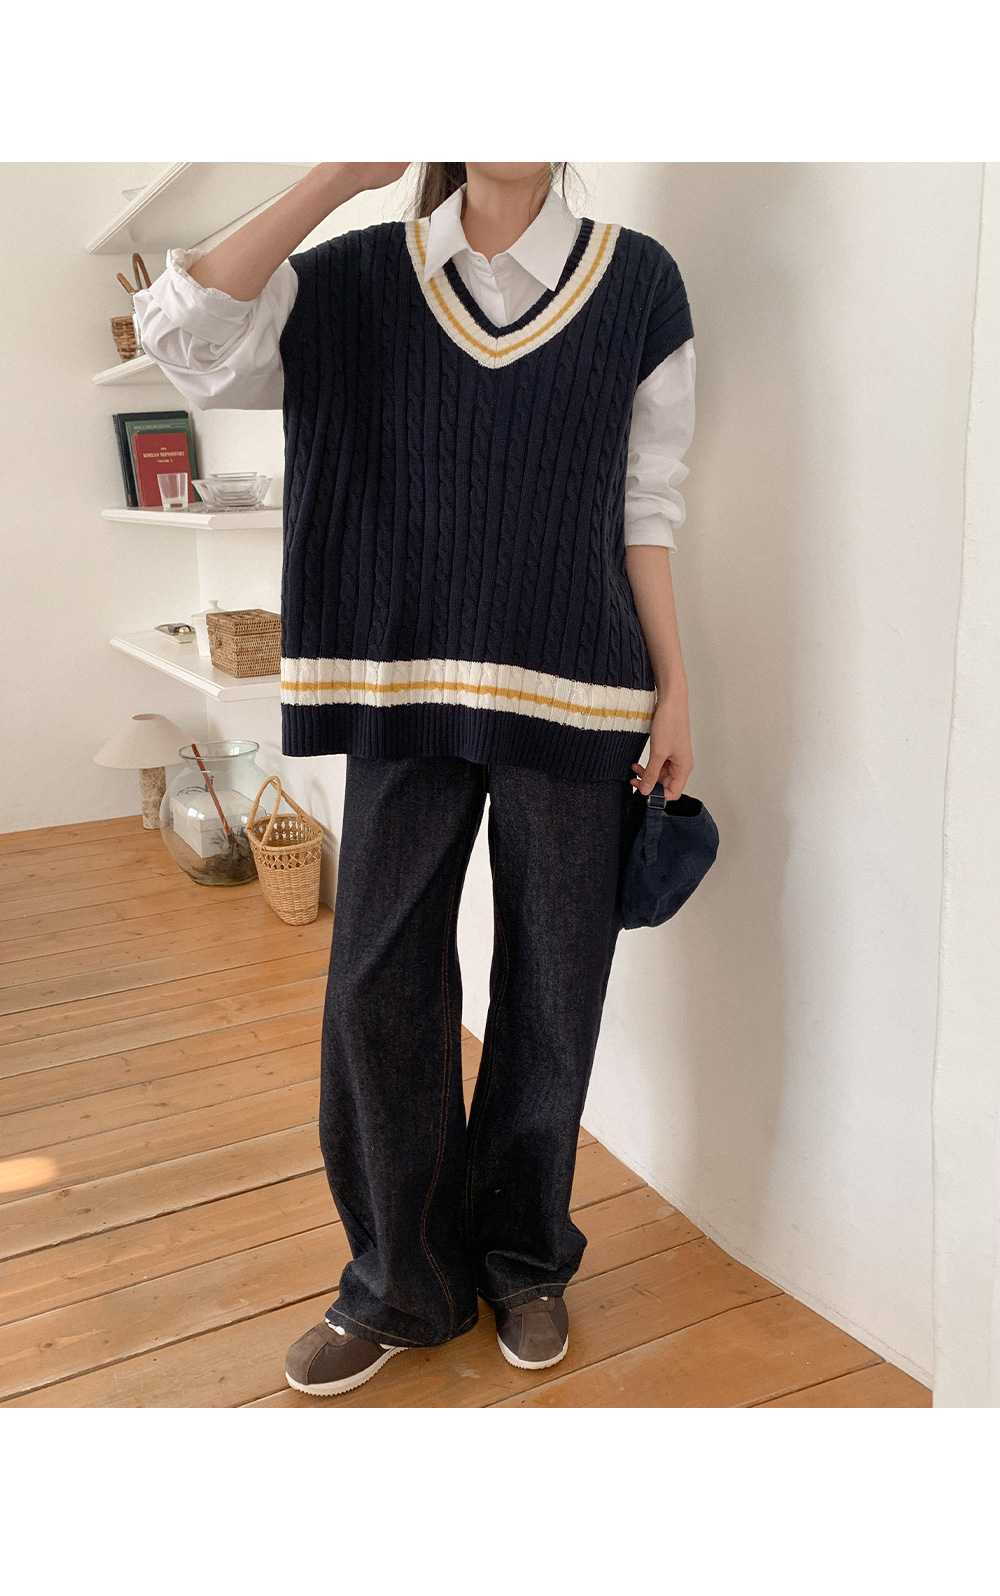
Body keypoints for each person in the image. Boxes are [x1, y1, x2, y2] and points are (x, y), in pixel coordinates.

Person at [134, 161, 696, 1397]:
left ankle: (525, 1260)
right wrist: (342, 167)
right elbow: (184, 340)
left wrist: (675, 686)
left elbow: (645, 503)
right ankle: (399, 1279)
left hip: (580, 685)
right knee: (377, 982)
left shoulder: (637, 283)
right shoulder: (346, 280)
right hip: (395, 680)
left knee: (555, 984)